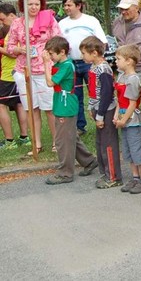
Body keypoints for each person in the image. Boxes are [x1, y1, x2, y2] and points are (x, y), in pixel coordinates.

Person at [7, 0, 60, 154]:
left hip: (45, 69)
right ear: (23, 5)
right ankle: (36, 144)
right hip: (24, 70)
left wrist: (48, 52)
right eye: (30, 4)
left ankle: (56, 142)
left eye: (37, 4)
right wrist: (19, 49)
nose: (34, 7)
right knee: (31, 108)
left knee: (49, 108)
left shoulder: (49, 20)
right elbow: (10, 47)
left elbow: (59, 40)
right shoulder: (17, 23)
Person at [41, 36, 98, 185]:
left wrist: (46, 64)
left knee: (63, 141)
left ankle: (65, 173)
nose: (50, 57)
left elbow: (50, 82)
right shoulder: (62, 64)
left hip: (65, 106)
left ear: (62, 52)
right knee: (70, 136)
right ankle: (89, 160)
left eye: (51, 54)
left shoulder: (66, 66)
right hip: (62, 103)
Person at [59, 0, 108, 135]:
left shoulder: (91, 21)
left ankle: (102, 119)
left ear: (78, 6)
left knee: (96, 92)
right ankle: (79, 126)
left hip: (89, 64)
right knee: (75, 96)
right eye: (65, 5)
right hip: (71, 63)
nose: (66, 8)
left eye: (69, 5)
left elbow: (102, 42)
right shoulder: (62, 24)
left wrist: (98, 61)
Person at [80, 35, 122, 188]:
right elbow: (93, 91)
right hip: (98, 109)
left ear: (94, 53)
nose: (82, 56)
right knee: (100, 144)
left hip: (106, 110)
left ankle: (113, 176)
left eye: (84, 53)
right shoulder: (93, 67)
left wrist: (100, 116)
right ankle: (105, 172)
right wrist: (91, 108)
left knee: (108, 144)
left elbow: (106, 94)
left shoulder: (104, 69)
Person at [114, 44, 141, 195]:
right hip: (124, 117)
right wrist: (117, 115)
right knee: (128, 149)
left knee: (137, 149)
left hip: (134, 120)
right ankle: (135, 177)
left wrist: (124, 119)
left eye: (118, 59)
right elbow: (119, 100)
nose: (116, 61)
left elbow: (132, 103)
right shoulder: (121, 76)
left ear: (129, 61)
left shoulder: (134, 79)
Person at [0, 3, 29, 150]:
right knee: (19, 103)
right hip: (17, 72)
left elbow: (14, 53)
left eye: (2, 19)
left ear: (11, 15)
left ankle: (9, 140)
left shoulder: (16, 29)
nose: (1, 22)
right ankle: (24, 137)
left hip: (10, 74)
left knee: (1, 105)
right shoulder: (19, 27)